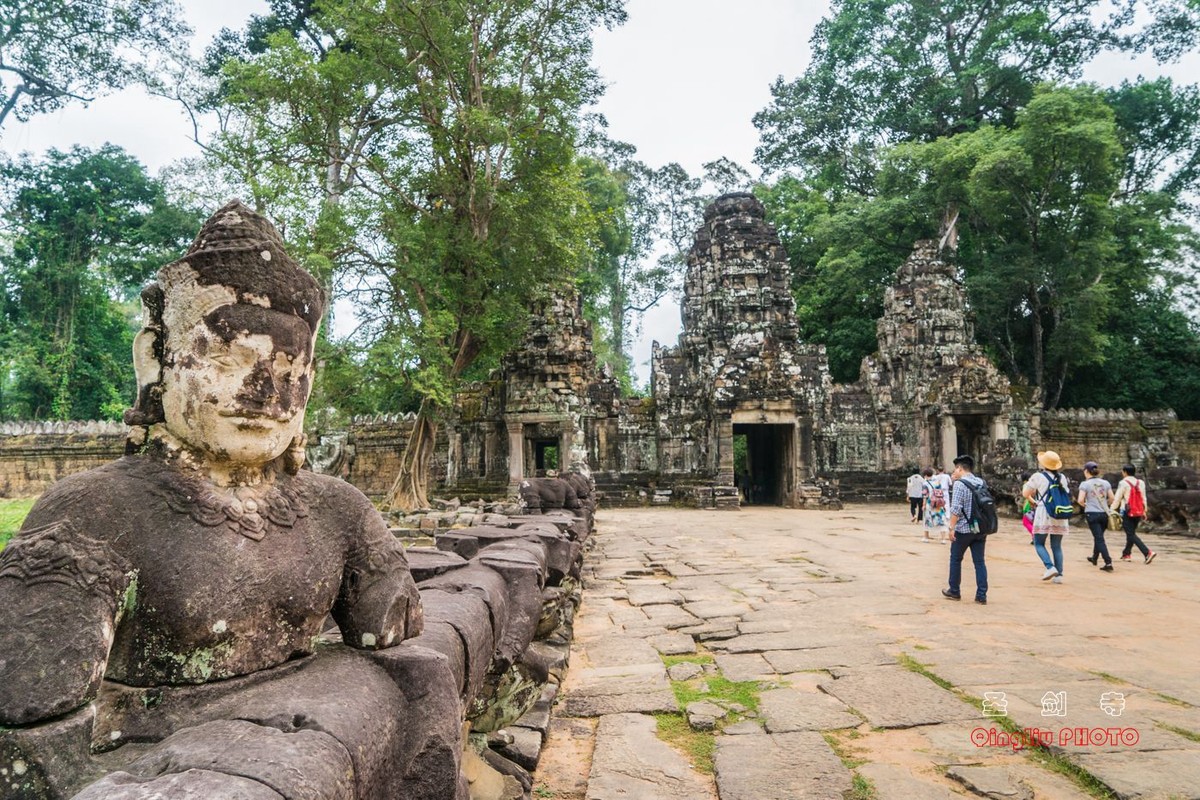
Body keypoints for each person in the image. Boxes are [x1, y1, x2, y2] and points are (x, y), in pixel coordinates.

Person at [942, 454, 988, 605]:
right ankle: (981, 594)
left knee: (955, 559)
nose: (954, 472)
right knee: (979, 562)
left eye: (956, 468)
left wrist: (951, 528)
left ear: (960, 468)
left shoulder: (960, 484)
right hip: (980, 528)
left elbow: (956, 509)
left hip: (963, 528)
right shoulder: (981, 482)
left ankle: (954, 590)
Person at [1023, 450, 1071, 583]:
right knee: (1056, 545)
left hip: (1044, 511)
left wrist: (1034, 502)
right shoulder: (1062, 477)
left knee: (1039, 543)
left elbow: (1025, 493)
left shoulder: (1038, 476)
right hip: (1059, 512)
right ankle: (1059, 575)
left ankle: (1050, 566)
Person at [1110, 464, 1156, 563]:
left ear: (1125, 472)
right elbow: (1144, 498)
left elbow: (1117, 498)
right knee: (1131, 533)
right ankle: (1126, 554)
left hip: (1127, 512)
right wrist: (1144, 511)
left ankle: (1147, 552)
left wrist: (1111, 510)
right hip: (1138, 511)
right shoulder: (1141, 482)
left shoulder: (1123, 483)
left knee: (1130, 534)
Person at [1077, 461, 1114, 571]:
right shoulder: (1106, 483)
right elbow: (1112, 498)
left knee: (1099, 538)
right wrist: (1104, 505)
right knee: (1099, 536)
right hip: (1104, 513)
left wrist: (1086, 505)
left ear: (1086, 471)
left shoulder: (1085, 484)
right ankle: (1094, 557)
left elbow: (1080, 500)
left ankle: (1108, 562)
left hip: (1092, 514)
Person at [922, 467, 951, 543]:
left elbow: (925, 495)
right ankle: (943, 539)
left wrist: (924, 505)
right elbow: (940, 493)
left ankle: (926, 537)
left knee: (927, 519)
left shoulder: (925, 483)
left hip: (930, 503)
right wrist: (943, 505)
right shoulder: (937, 482)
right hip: (938, 503)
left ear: (925, 475)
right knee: (941, 519)